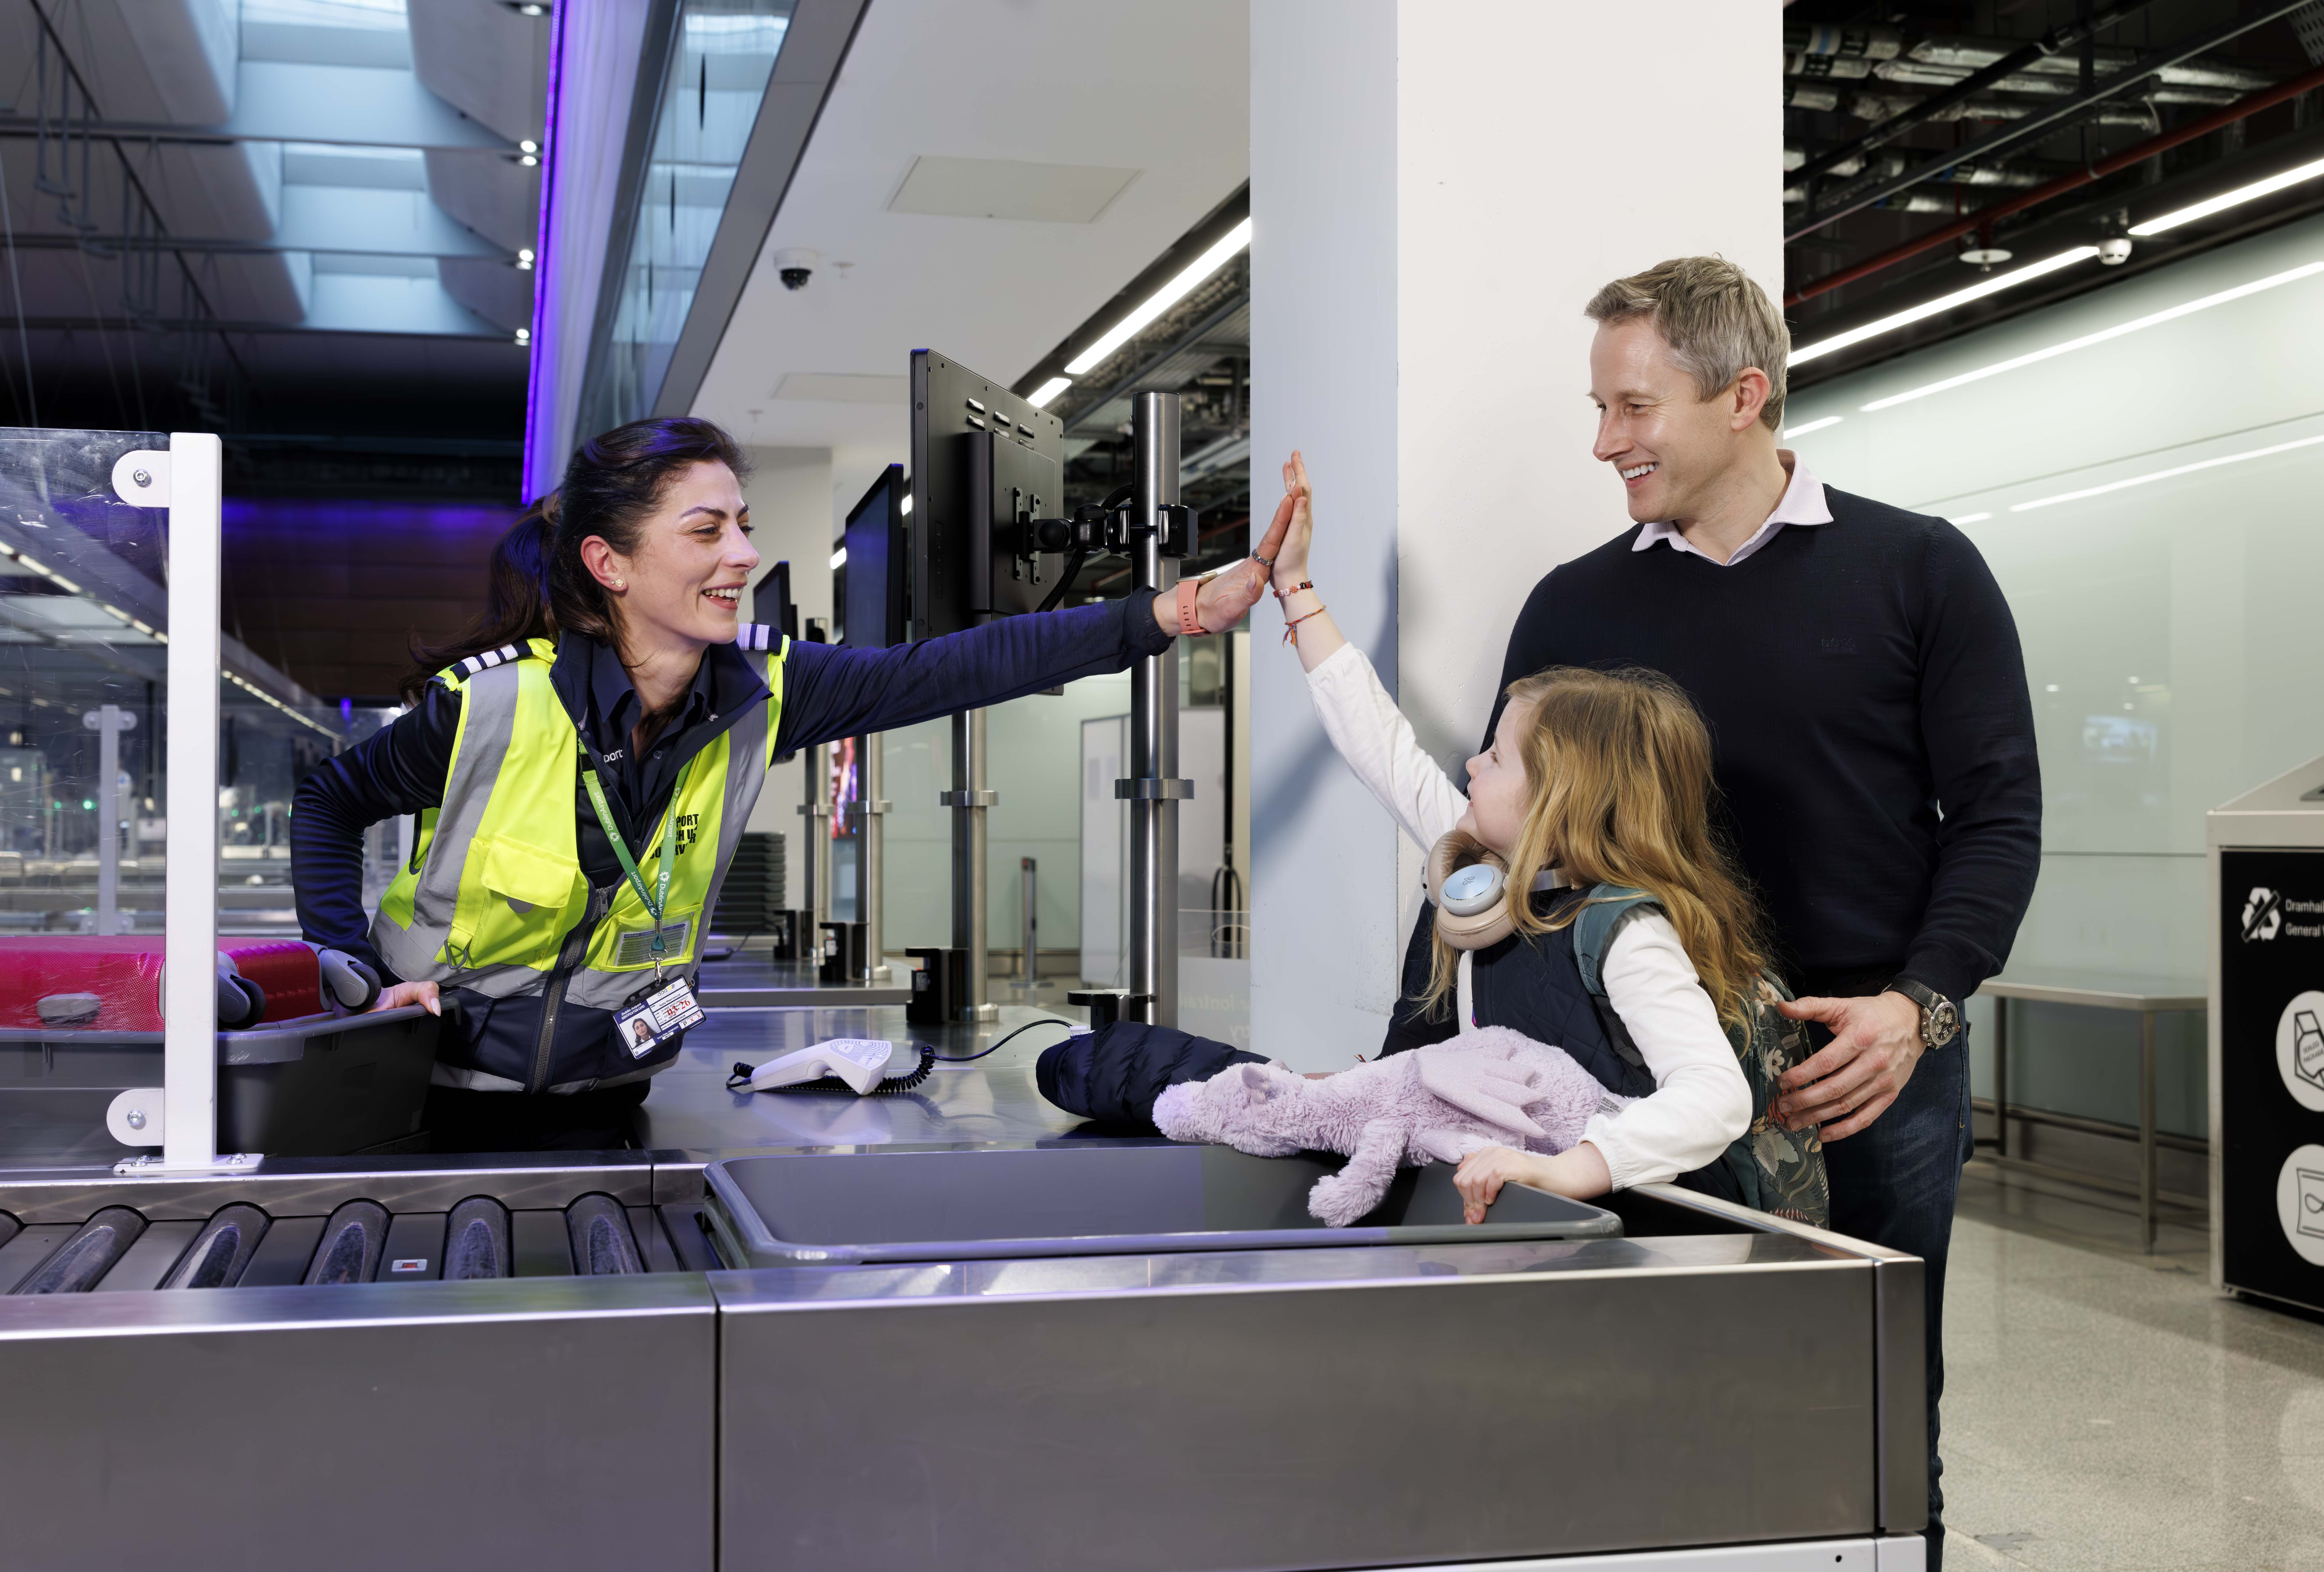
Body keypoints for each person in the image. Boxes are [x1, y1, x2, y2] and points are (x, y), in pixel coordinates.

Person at [1265, 255, 2040, 1570]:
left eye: (1632, 407)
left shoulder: (1920, 570)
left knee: (1880, 1386)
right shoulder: (1578, 604)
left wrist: (1919, 1006)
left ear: (1744, 396)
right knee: (1655, 1389)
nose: (1603, 440)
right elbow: (1499, 826)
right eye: (1598, 405)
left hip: (1868, 1061)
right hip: (1630, 1067)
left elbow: (1999, 816)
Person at [293, 416, 1284, 1153]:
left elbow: (951, 668)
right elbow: (328, 802)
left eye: (743, 524)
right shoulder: (493, 708)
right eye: (706, 530)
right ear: (610, 563)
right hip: (438, 1102)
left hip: (613, 1106)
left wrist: (1175, 610)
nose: (743, 553)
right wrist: (355, 973)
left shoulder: (762, 694)